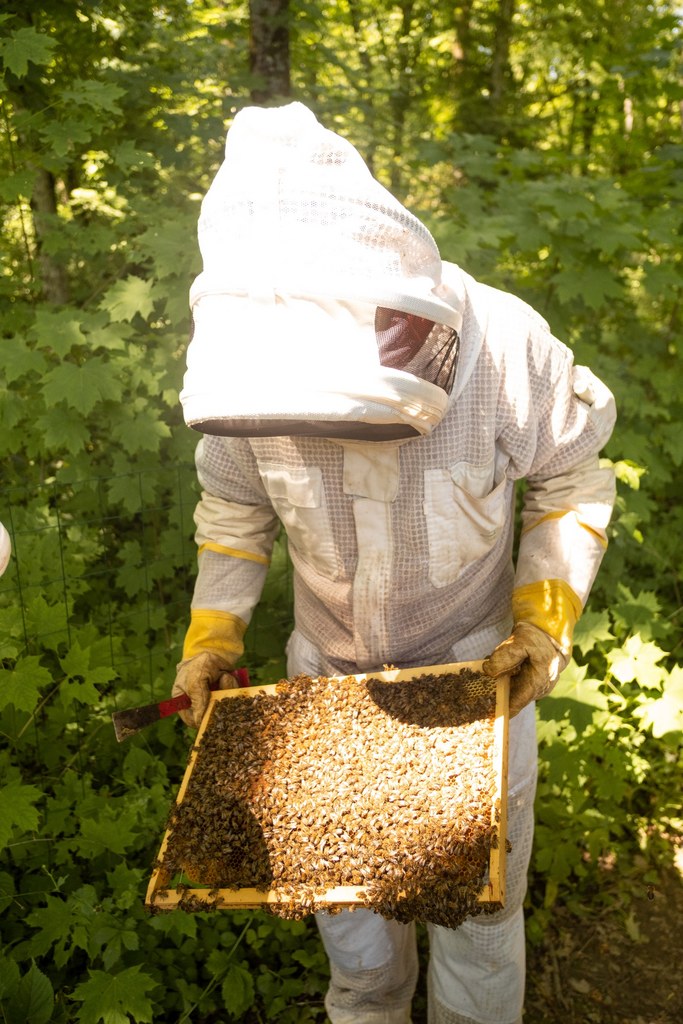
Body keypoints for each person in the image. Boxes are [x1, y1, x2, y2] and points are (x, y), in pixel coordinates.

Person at [172, 102, 616, 1024]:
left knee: (478, 924)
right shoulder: (246, 355)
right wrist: (213, 633)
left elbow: (572, 478)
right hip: (322, 690)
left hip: (473, 682)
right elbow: (236, 505)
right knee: (354, 927)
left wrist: (543, 620)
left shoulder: (502, 346)